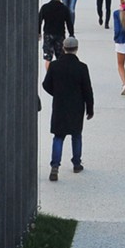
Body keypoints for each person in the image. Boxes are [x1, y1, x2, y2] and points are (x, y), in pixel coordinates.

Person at [42, 35, 93, 179]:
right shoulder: (82, 67)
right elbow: (87, 90)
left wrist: (57, 93)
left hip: (60, 105)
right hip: (76, 106)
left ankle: (55, 166)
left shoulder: (54, 66)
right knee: (76, 135)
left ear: (63, 48)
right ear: (76, 49)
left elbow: (46, 85)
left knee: (58, 136)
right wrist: (90, 108)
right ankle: (76, 164)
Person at [37, 0, 73, 67]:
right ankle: (59, 75)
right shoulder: (64, 8)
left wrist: (38, 32)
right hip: (60, 34)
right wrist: (71, 34)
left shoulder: (45, 7)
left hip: (48, 34)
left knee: (48, 58)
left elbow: (39, 20)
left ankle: (48, 75)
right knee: (60, 57)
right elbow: (69, 22)